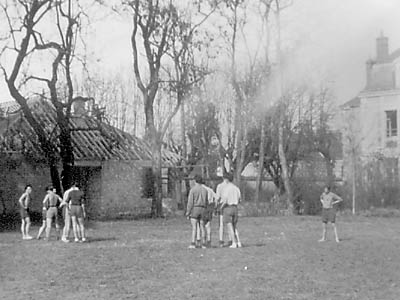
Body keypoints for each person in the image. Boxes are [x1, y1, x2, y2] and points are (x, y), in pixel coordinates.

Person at [219, 173, 242, 248]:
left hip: (228, 208)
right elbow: (239, 199)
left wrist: (221, 207)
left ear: (226, 179)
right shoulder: (236, 188)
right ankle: (238, 242)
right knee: (235, 226)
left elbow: (225, 200)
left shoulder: (226, 188)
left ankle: (234, 243)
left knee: (230, 226)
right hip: (235, 207)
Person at [186, 174, 208, 249]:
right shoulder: (205, 190)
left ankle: (193, 243)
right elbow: (206, 201)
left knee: (194, 227)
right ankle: (204, 243)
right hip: (203, 208)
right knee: (202, 226)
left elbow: (190, 202)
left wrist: (188, 212)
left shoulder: (193, 190)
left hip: (195, 208)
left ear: (195, 181)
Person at [196, 179, 217, 248]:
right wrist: (215, 206)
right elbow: (216, 197)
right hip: (209, 208)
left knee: (201, 225)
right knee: (208, 225)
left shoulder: (200, 189)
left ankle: (202, 241)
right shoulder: (210, 189)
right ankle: (209, 241)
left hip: (203, 208)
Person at [215, 176, 232, 247]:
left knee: (221, 224)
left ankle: (221, 240)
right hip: (229, 205)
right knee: (229, 223)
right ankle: (230, 239)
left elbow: (217, 197)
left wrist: (216, 206)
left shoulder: (220, 186)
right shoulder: (231, 186)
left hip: (222, 205)